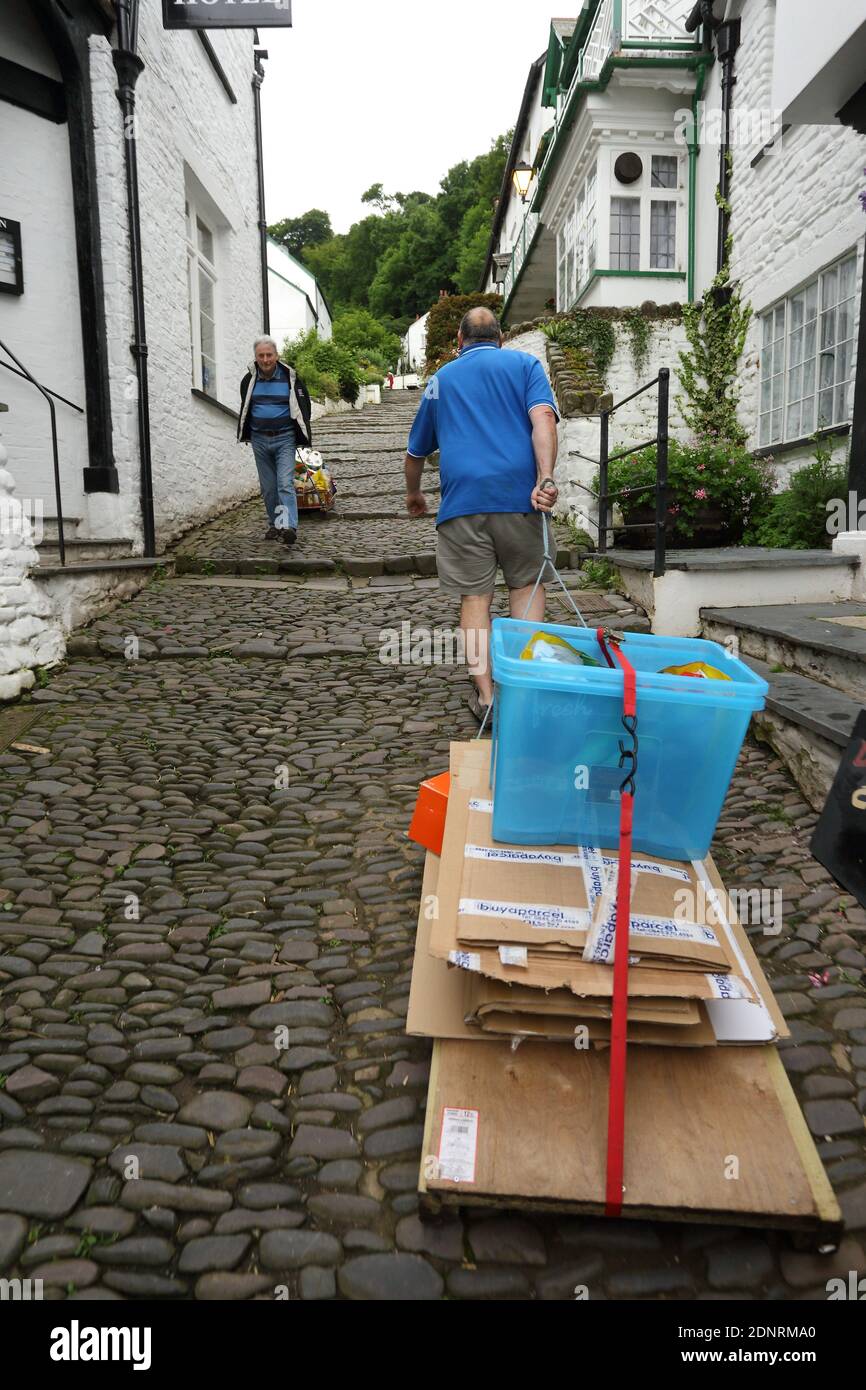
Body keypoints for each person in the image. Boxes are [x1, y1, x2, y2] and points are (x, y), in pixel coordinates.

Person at [403, 306, 560, 722]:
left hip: (462, 504)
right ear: (501, 338)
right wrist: (544, 477)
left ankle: (488, 697)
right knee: (526, 587)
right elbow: (543, 417)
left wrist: (415, 493)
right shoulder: (526, 364)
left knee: (475, 598)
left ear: (459, 340)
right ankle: (521, 689)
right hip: (521, 499)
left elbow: (415, 452)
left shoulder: (440, 381)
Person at [238, 336, 313, 545]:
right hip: (259, 440)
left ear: (276, 355)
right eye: (261, 355)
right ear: (256, 357)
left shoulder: (290, 377)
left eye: (269, 355)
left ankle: (289, 526)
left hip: (285, 438)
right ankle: (275, 524)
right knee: (268, 487)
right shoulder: (249, 380)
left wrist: (302, 431)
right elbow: (246, 407)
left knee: (284, 484)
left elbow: (304, 403)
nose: (265, 359)